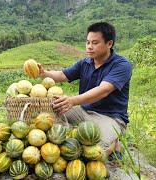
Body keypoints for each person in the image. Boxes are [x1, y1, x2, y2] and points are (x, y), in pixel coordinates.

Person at [38, 22, 132, 159]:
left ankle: (115, 142)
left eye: (95, 43)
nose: (89, 46)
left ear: (109, 44)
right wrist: (44, 73)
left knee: (95, 152)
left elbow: (103, 90)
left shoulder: (122, 65)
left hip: (110, 117)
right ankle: (80, 131)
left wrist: (72, 100)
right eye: (87, 42)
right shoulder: (85, 63)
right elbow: (62, 75)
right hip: (83, 111)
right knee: (46, 118)